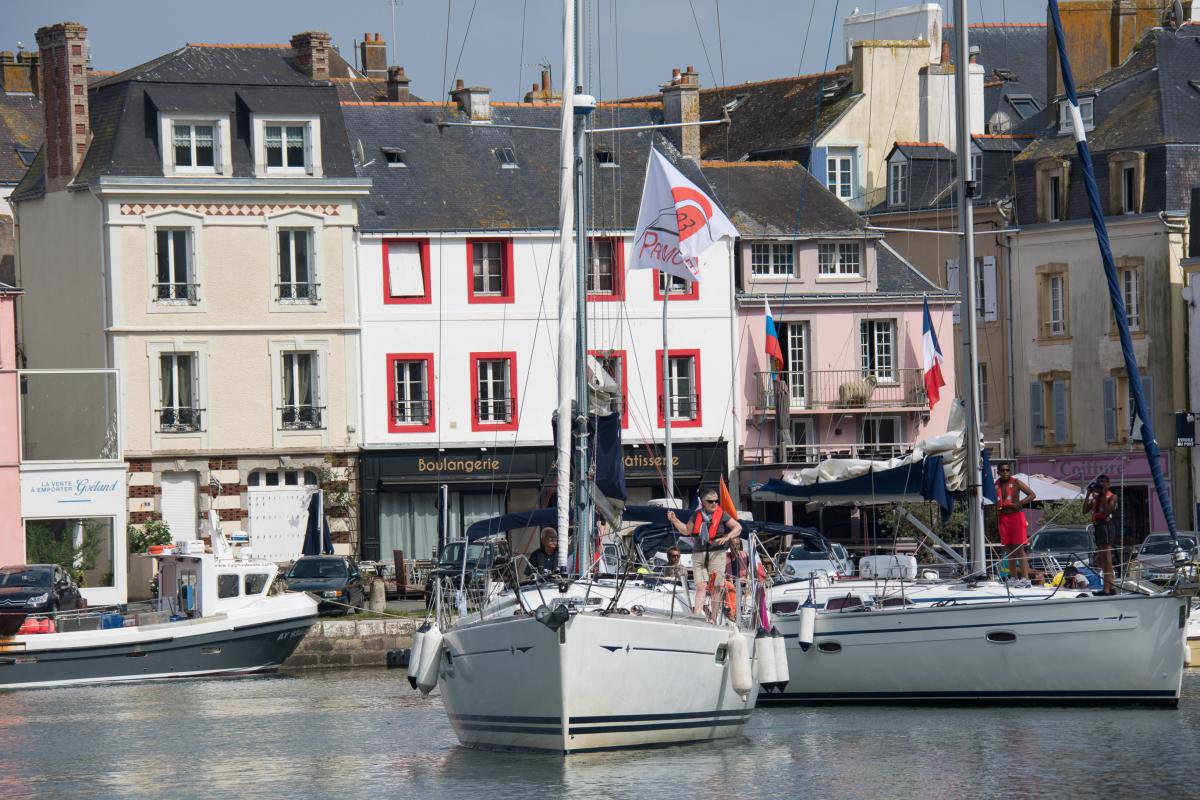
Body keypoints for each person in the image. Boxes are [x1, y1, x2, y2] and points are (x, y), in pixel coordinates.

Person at [666, 490, 742, 623]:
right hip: (699, 553)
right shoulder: (696, 515)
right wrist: (674, 520)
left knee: (716, 587)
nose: (714, 503)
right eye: (710, 501)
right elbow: (686, 530)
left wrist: (727, 537)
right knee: (701, 586)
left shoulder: (722, 515)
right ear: (703, 502)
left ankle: (713, 619)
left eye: (716, 501)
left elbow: (738, 527)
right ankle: (697, 616)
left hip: (717, 553)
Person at [994, 463, 1036, 584]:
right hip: (1003, 517)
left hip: (1016, 516)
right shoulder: (996, 484)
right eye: (1002, 470)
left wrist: (1020, 503)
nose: (1005, 472)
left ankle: (1025, 579)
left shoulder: (1016, 482)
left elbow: (1032, 495)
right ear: (998, 472)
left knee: (1019, 548)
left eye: (1007, 470)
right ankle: (1013, 577)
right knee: (1008, 549)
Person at [1084, 474, 1119, 594]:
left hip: (1106, 526)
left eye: (1103, 482)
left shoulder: (1112, 496)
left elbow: (1107, 510)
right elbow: (1084, 510)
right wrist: (1088, 494)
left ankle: (1106, 589)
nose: (1101, 485)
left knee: (1107, 558)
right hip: (1098, 526)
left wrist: (1103, 495)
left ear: (1108, 484)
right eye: (1099, 483)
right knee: (1102, 558)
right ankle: (1111, 587)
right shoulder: (1096, 497)